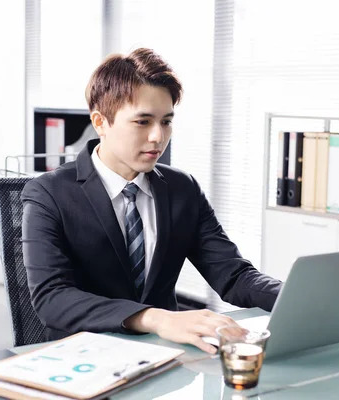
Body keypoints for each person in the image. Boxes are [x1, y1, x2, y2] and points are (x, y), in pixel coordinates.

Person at [22, 48, 282, 354]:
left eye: (167, 122)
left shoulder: (181, 189)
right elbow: (53, 299)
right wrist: (154, 318)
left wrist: (298, 296)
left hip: (164, 356)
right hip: (83, 356)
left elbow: (233, 276)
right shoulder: (48, 194)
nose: (158, 137)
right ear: (100, 122)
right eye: (143, 122)